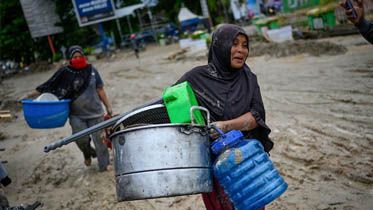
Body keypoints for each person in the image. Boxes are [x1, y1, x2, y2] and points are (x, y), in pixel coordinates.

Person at [176, 24, 272, 210]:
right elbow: (167, 106)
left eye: (245, 45)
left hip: (248, 165)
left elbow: (256, 116)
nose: (241, 50)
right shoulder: (196, 78)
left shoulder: (249, 78)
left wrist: (225, 126)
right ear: (220, 46)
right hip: (217, 170)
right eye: (234, 43)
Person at [21, 45, 113, 171]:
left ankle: (104, 165)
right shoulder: (65, 72)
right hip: (76, 115)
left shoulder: (92, 70)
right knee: (81, 139)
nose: (78, 59)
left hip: (96, 113)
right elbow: (49, 85)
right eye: (75, 57)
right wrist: (29, 96)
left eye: (80, 56)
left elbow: (100, 89)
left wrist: (108, 106)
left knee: (100, 141)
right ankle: (87, 153)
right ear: (70, 58)